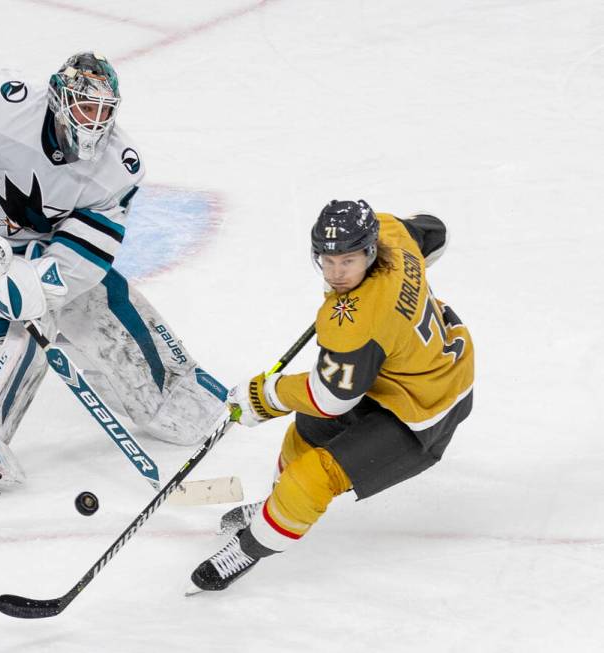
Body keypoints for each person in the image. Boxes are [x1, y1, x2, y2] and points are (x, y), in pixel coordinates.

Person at [0, 51, 227, 495]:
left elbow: (88, 250)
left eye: (105, 111)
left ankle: (171, 399)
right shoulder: (9, 106)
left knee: (102, 296)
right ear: (60, 101)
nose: (95, 121)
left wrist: (41, 281)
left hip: (38, 244)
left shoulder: (118, 167)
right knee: (19, 327)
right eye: (87, 107)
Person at [188, 199, 474, 592]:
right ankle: (275, 507)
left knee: (312, 477)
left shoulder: (356, 322)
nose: (337, 273)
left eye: (349, 262)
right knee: (306, 430)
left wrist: (264, 396)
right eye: (328, 260)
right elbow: (434, 232)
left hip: (427, 410)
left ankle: (250, 548)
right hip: (398, 370)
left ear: (370, 252)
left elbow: (330, 399)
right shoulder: (390, 230)